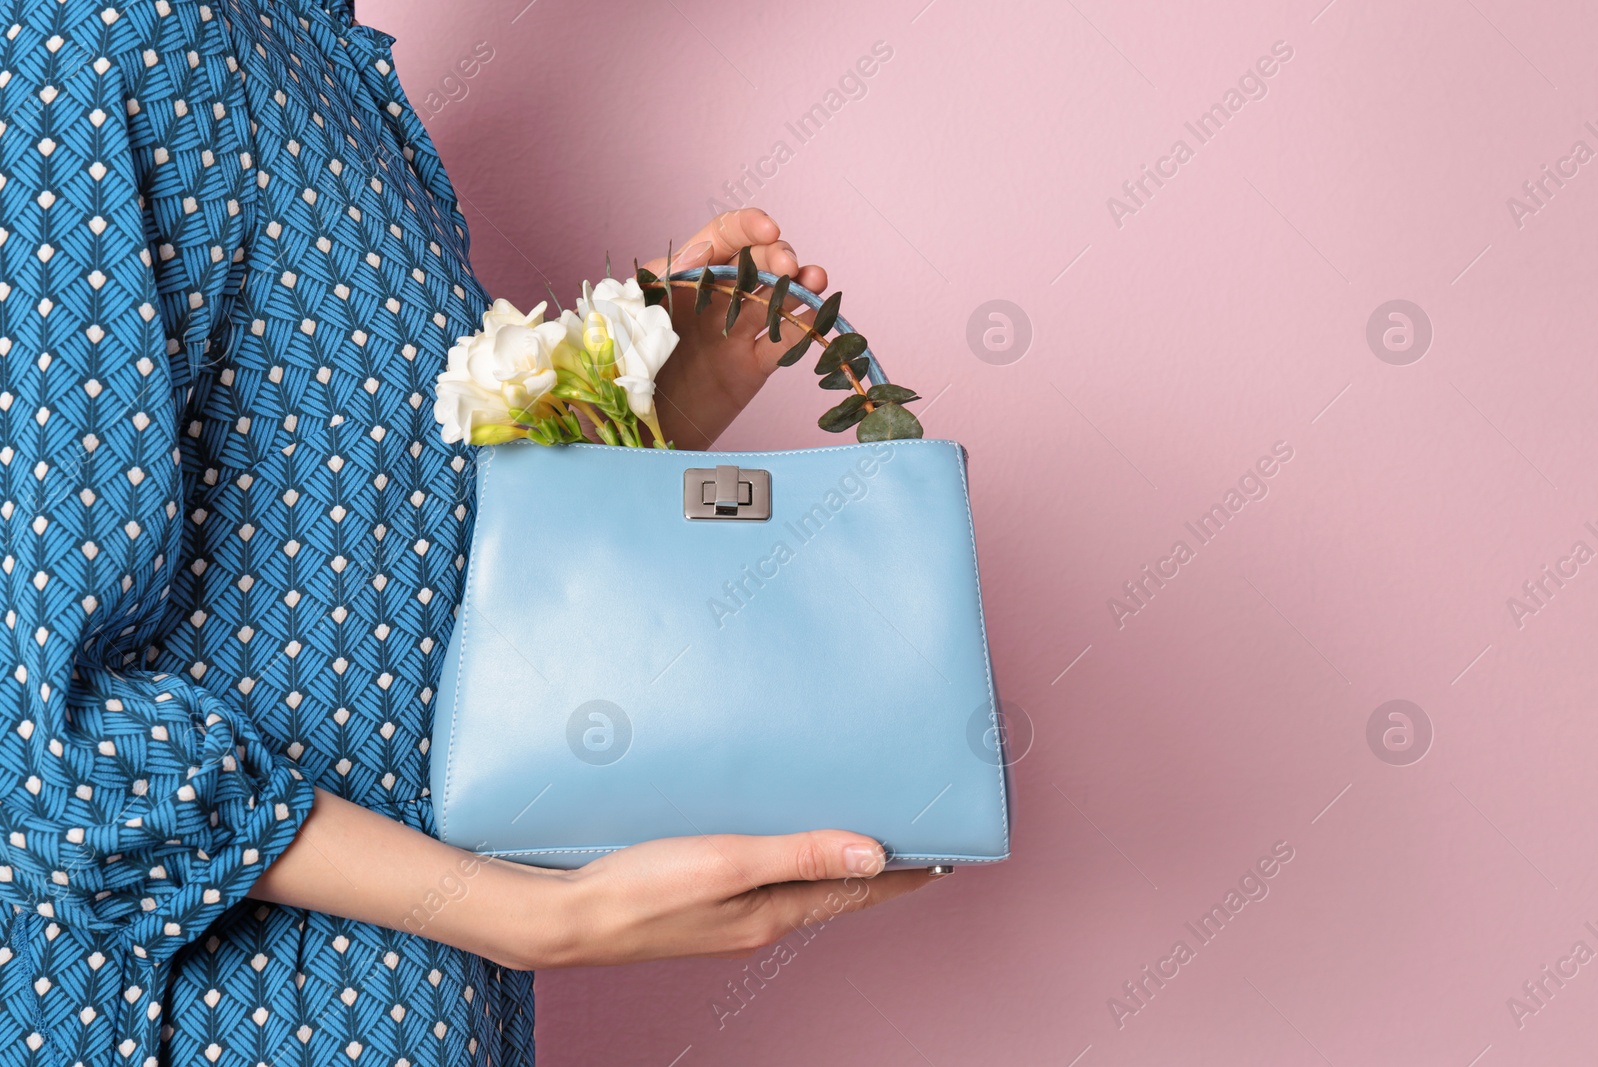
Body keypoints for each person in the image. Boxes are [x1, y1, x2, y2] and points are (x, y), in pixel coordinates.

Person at [0, 1, 932, 1062]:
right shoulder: (107, 33)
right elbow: (33, 731)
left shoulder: (319, 64)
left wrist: (641, 417)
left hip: (419, 1009)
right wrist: (540, 914)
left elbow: (369, 587)